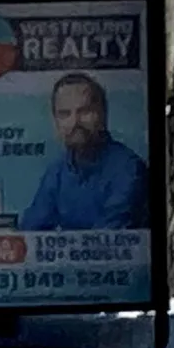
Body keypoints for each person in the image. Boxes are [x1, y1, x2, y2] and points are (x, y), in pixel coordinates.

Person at [19, 73, 150, 232]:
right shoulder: (57, 172)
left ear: (103, 115)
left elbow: (107, 239)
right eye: (64, 114)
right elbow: (31, 231)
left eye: (85, 111)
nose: (75, 122)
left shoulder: (129, 169)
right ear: (56, 121)